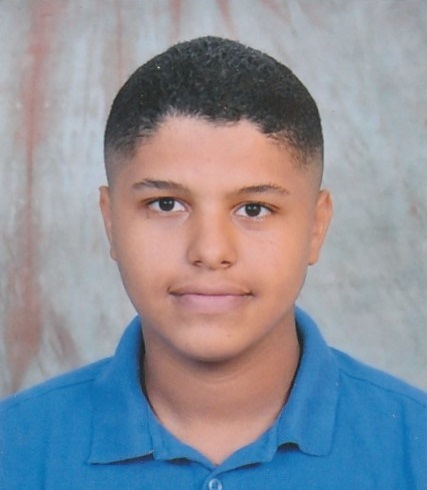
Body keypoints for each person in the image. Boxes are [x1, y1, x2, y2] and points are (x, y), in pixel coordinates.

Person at [0, 36, 425, 489]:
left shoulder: (413, 448)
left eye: (254, 209)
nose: (209, 250)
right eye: (166, 204)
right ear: (111, 223)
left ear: (316, 227)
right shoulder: (14, 449)